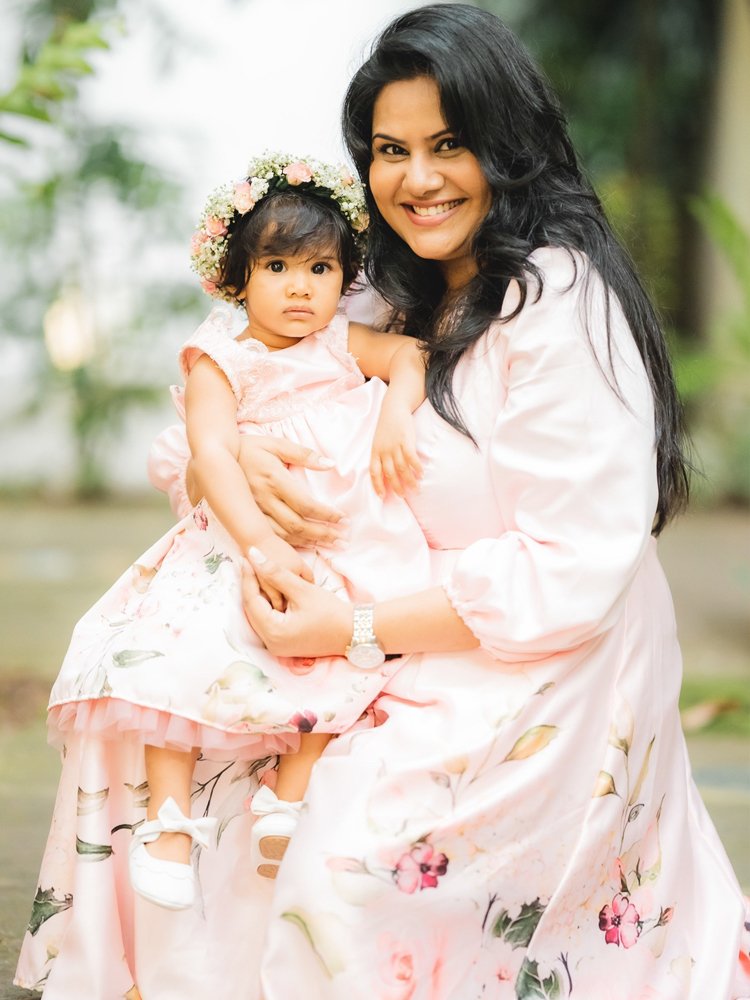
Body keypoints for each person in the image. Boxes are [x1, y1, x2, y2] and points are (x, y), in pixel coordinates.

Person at [17, 6, 750, 1000]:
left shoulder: (558, 303)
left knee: (341, 862)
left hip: (529, 654)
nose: (418, 178)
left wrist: (352, 629)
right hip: (367, 619)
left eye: (449, 144)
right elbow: (216, 412)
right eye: (391, 150)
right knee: (149, 721)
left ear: (509, 146)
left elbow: (569, 569)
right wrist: (232, 463)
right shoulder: (379, 283)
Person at [15, 151, 434, 987]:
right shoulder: (219, 354)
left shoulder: (339, 341)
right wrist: (259, 546)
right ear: (236, 278)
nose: (300, 288)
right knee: (178, 648)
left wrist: (395, 412)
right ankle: (171, 824)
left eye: (320, 269)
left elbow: (411, 355)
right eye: (277, 267)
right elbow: (209, 453)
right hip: (237, 538)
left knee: (351, 657)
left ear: (345, 278)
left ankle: (290, 790)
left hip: (338, 542)